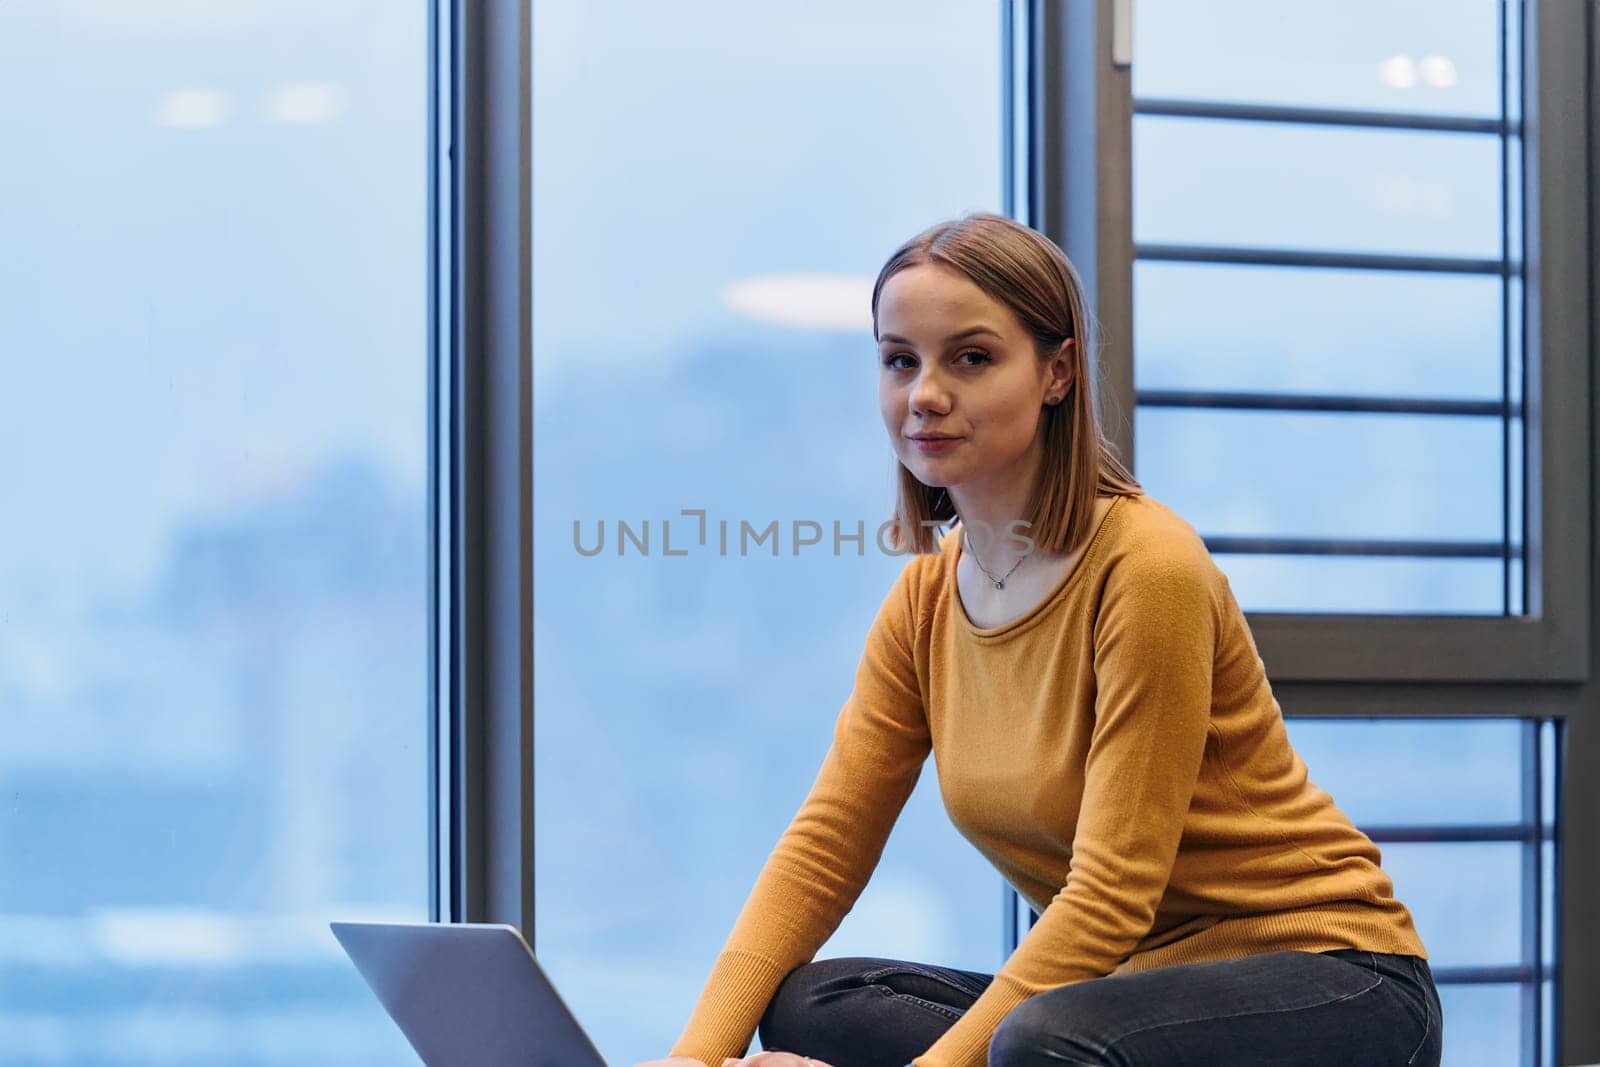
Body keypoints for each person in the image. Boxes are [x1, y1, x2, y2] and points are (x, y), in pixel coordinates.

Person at [637, 212, 1443, 1067]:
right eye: (899, 359)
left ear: (1057, 372)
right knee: (813, 1002)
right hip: (1128, 994)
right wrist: (694, 1059)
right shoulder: (926, 601)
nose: (926, 394)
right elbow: (825, 844)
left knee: (1044, 1041)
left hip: (1332, 979)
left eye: (971, 358)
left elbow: (1109, 896)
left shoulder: (1146, 570)